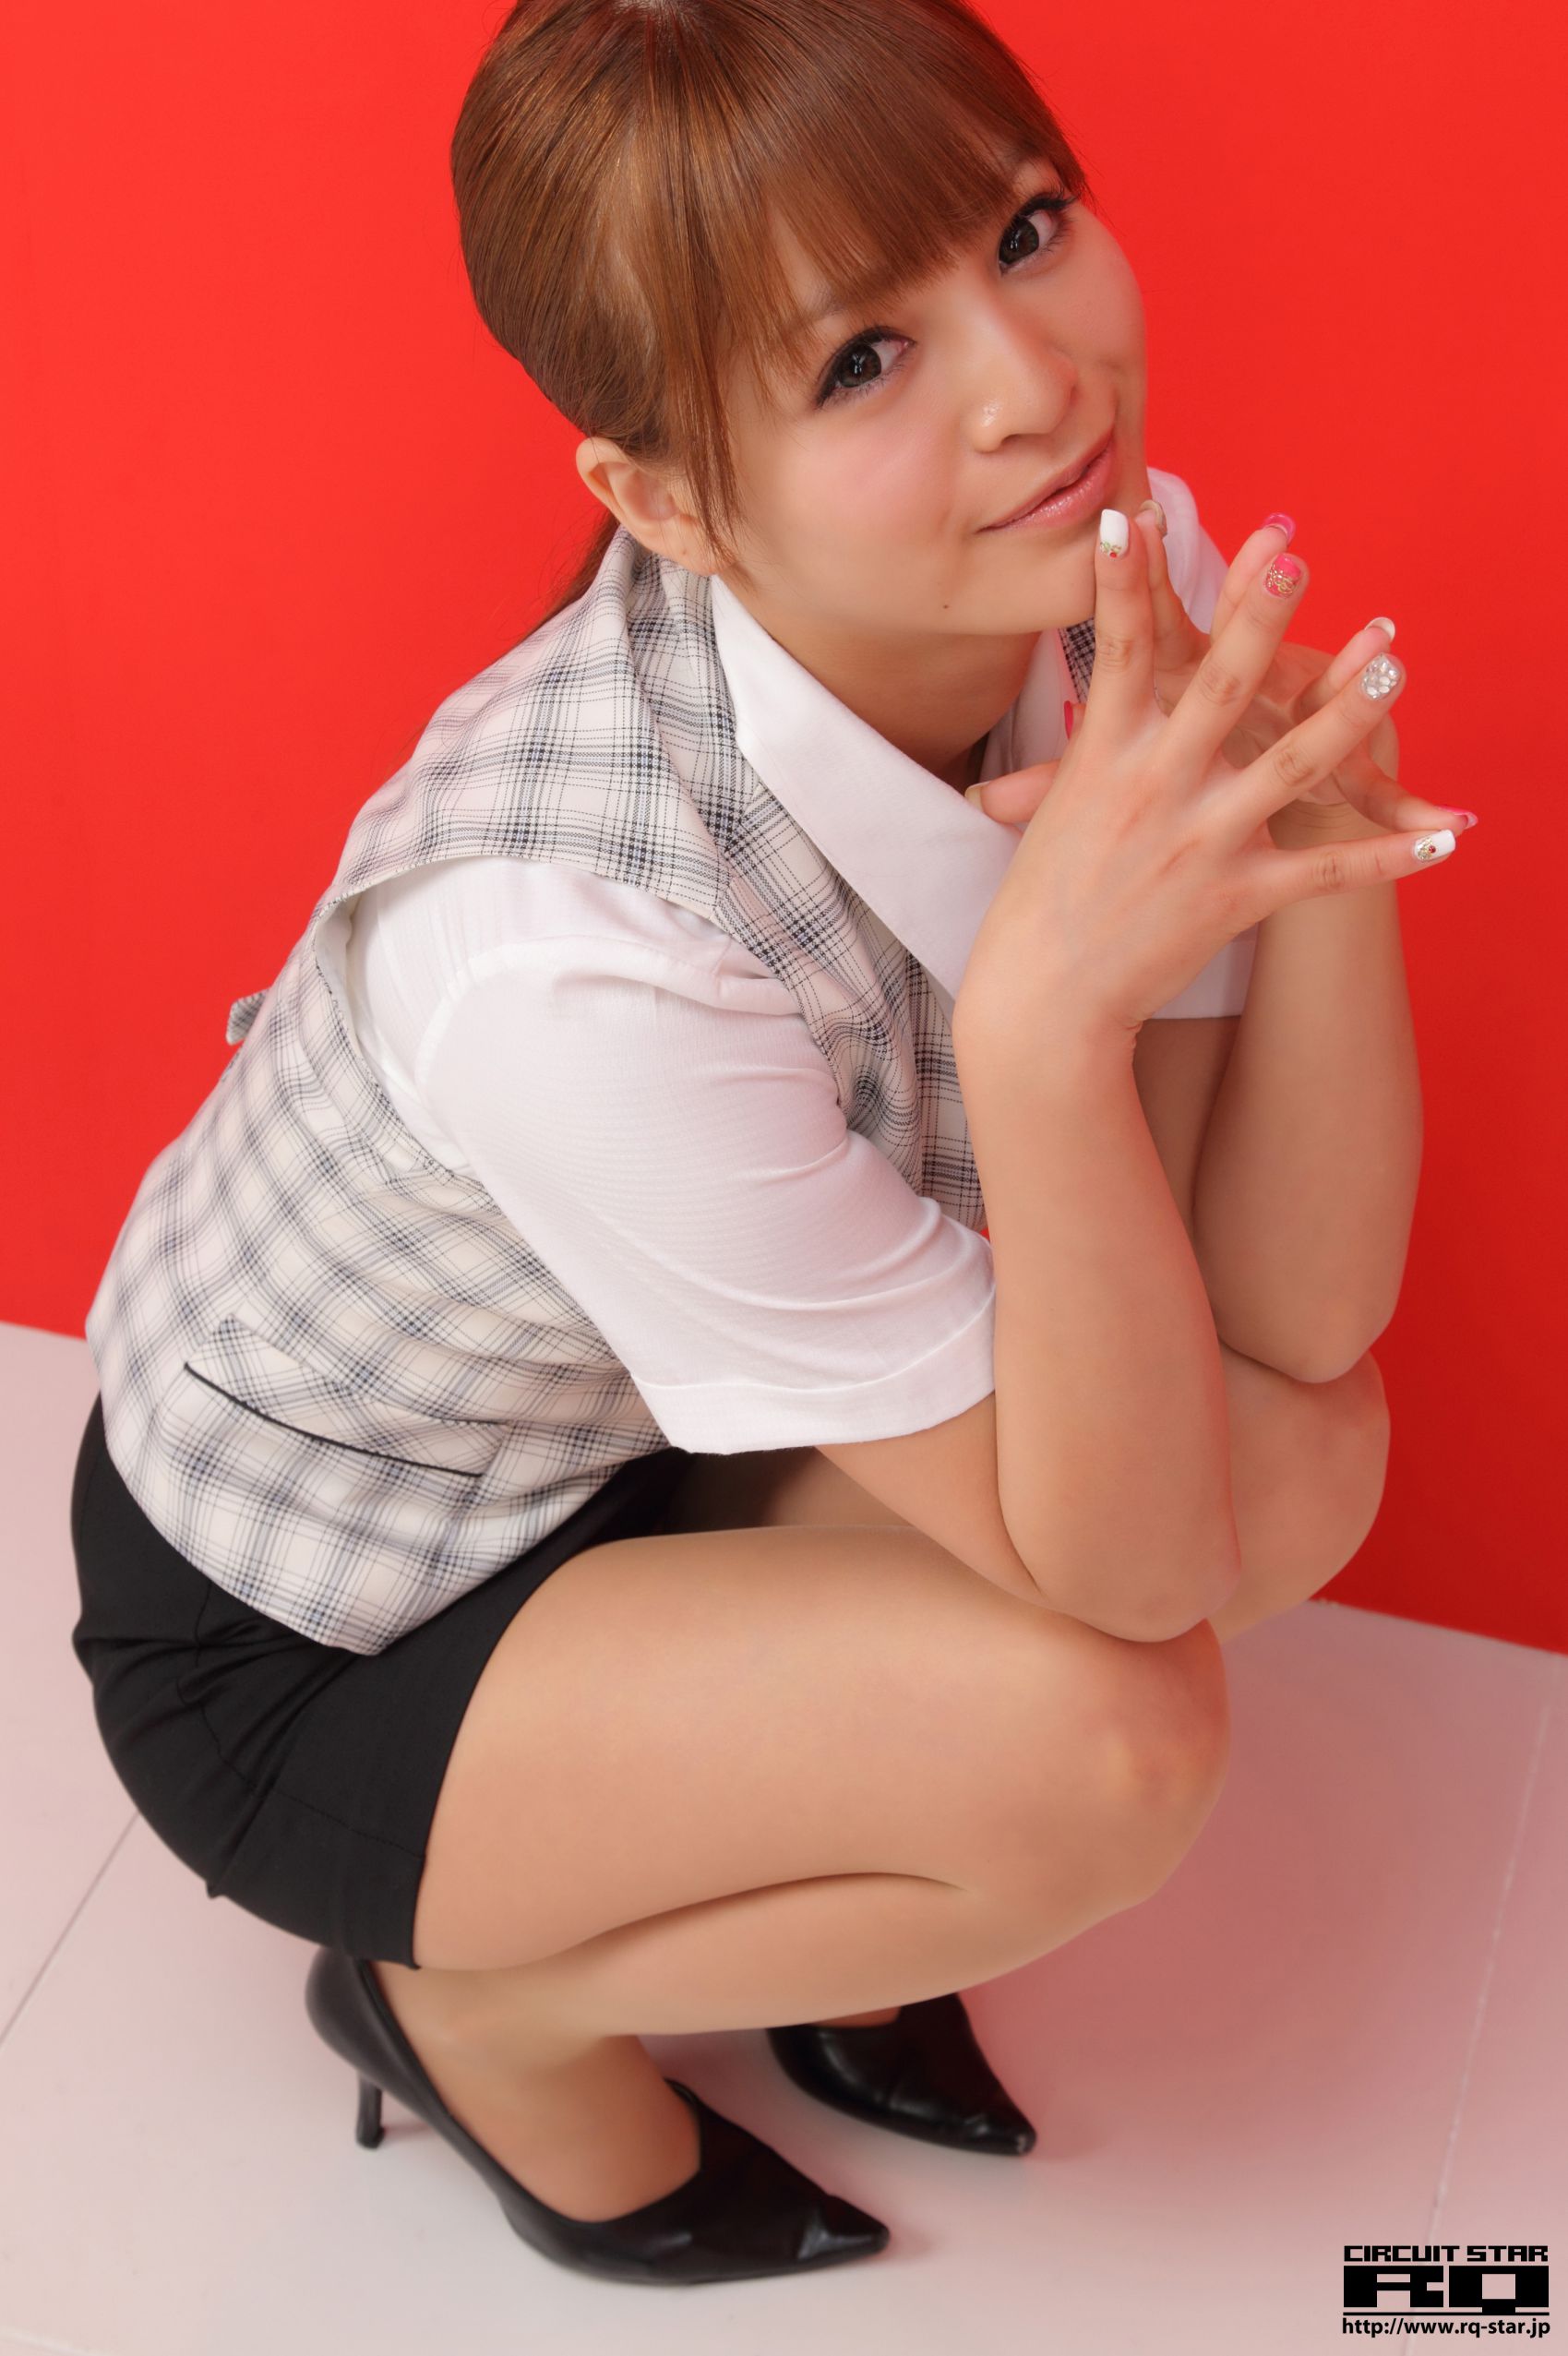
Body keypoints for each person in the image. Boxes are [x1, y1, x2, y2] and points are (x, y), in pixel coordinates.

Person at [69, 0, 1462, 2291]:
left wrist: (1319, 832)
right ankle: (475, 2005)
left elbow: (1283, 1319)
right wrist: (1042, 1033)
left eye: (1027, 226)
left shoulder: (1086, 572)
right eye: (860, 362)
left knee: (1301, 1459)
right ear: (664, 500)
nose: (1033, 384)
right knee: (1108, 1744)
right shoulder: (567, 953)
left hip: (655, 1434)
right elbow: (1128, 1577)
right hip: (331, 1609)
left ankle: (785, 1868)